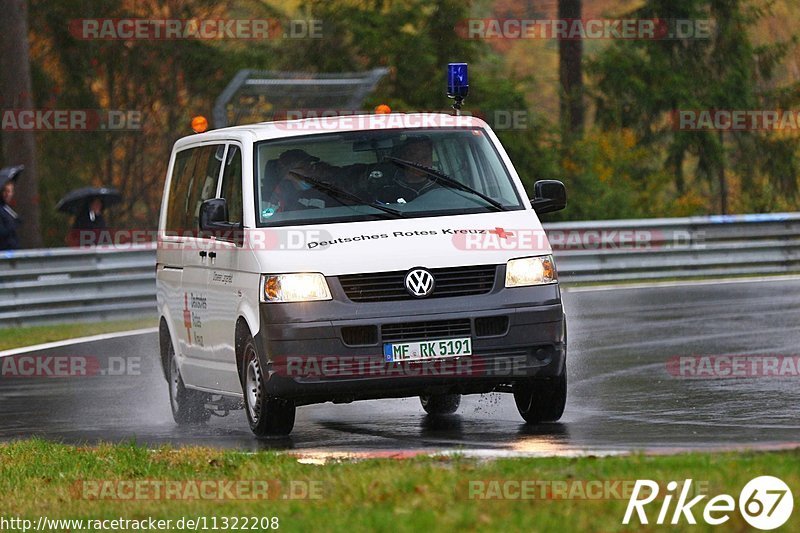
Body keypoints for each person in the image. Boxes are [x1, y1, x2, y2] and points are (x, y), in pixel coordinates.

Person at [376, 136, 438, 204]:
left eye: (425, 156)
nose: (420, 161)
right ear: (404, 158)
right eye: (413, 155)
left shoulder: (445, 184)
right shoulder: (387, 187)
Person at [0, 179, 20, 250]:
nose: (8, 194)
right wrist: (13, 225)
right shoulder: (1, 209)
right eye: (6, 191)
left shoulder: (7, 209)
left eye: (10, 191)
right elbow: (2, 232)